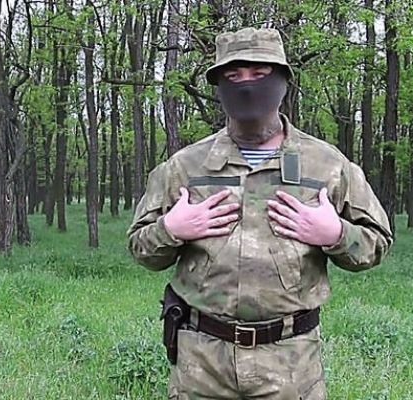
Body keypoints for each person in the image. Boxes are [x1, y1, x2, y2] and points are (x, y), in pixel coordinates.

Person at [127, 27, 393, 400]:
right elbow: (141, 248)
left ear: (282, 81)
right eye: (233, 76)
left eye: (259, 73)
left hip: (290, 363)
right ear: (219, 86)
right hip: (201, 363)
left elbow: (377, 242)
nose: (247, 85)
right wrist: (171, 228)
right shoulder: (184, 167)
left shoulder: (327, 165)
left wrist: (335, 235)